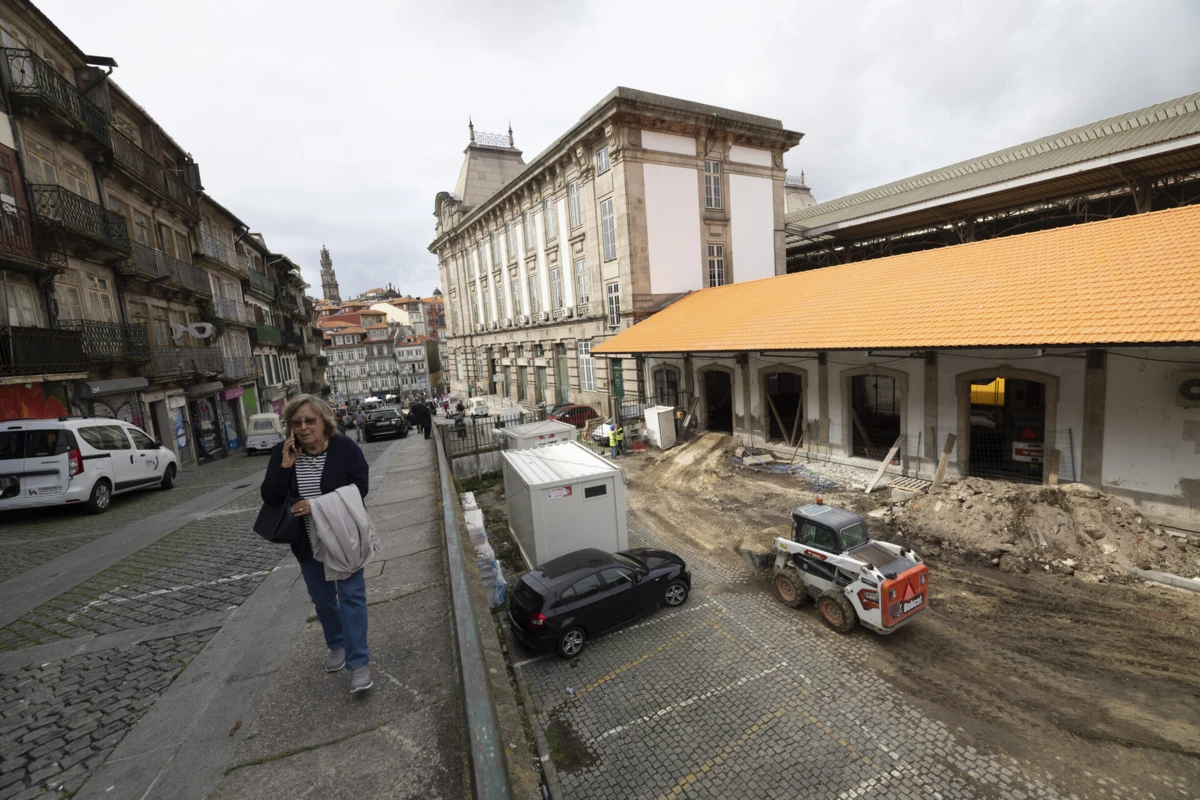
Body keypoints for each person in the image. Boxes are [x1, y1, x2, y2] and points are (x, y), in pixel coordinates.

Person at [261, 394, 374, 694]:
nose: (303, 427)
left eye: (310, 420)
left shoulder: (345, 449)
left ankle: (359, 663)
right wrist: (285, 467)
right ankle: (337, 644)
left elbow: (360, 487)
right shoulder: (281, 453)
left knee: (351, 598)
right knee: (323, 601)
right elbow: (270, 497)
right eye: (296, 422)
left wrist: (318, 506)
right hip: (305, 542)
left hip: (342, 538)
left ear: (325, 421)